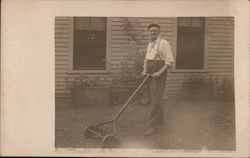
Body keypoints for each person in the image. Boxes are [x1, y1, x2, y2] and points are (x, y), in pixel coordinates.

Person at [141, 23, 174, 136]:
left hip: (158, 73)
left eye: (155, 31)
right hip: (149, 73)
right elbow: (146, 60)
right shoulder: (150, 44)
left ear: (159, 32)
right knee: (155, 97)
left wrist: (159, 73)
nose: (152, 33)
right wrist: (144, 70)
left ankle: (152, 126)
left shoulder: (164, 43)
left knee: (156, 99)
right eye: (151, 31)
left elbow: (169, 61)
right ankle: (159, 122)